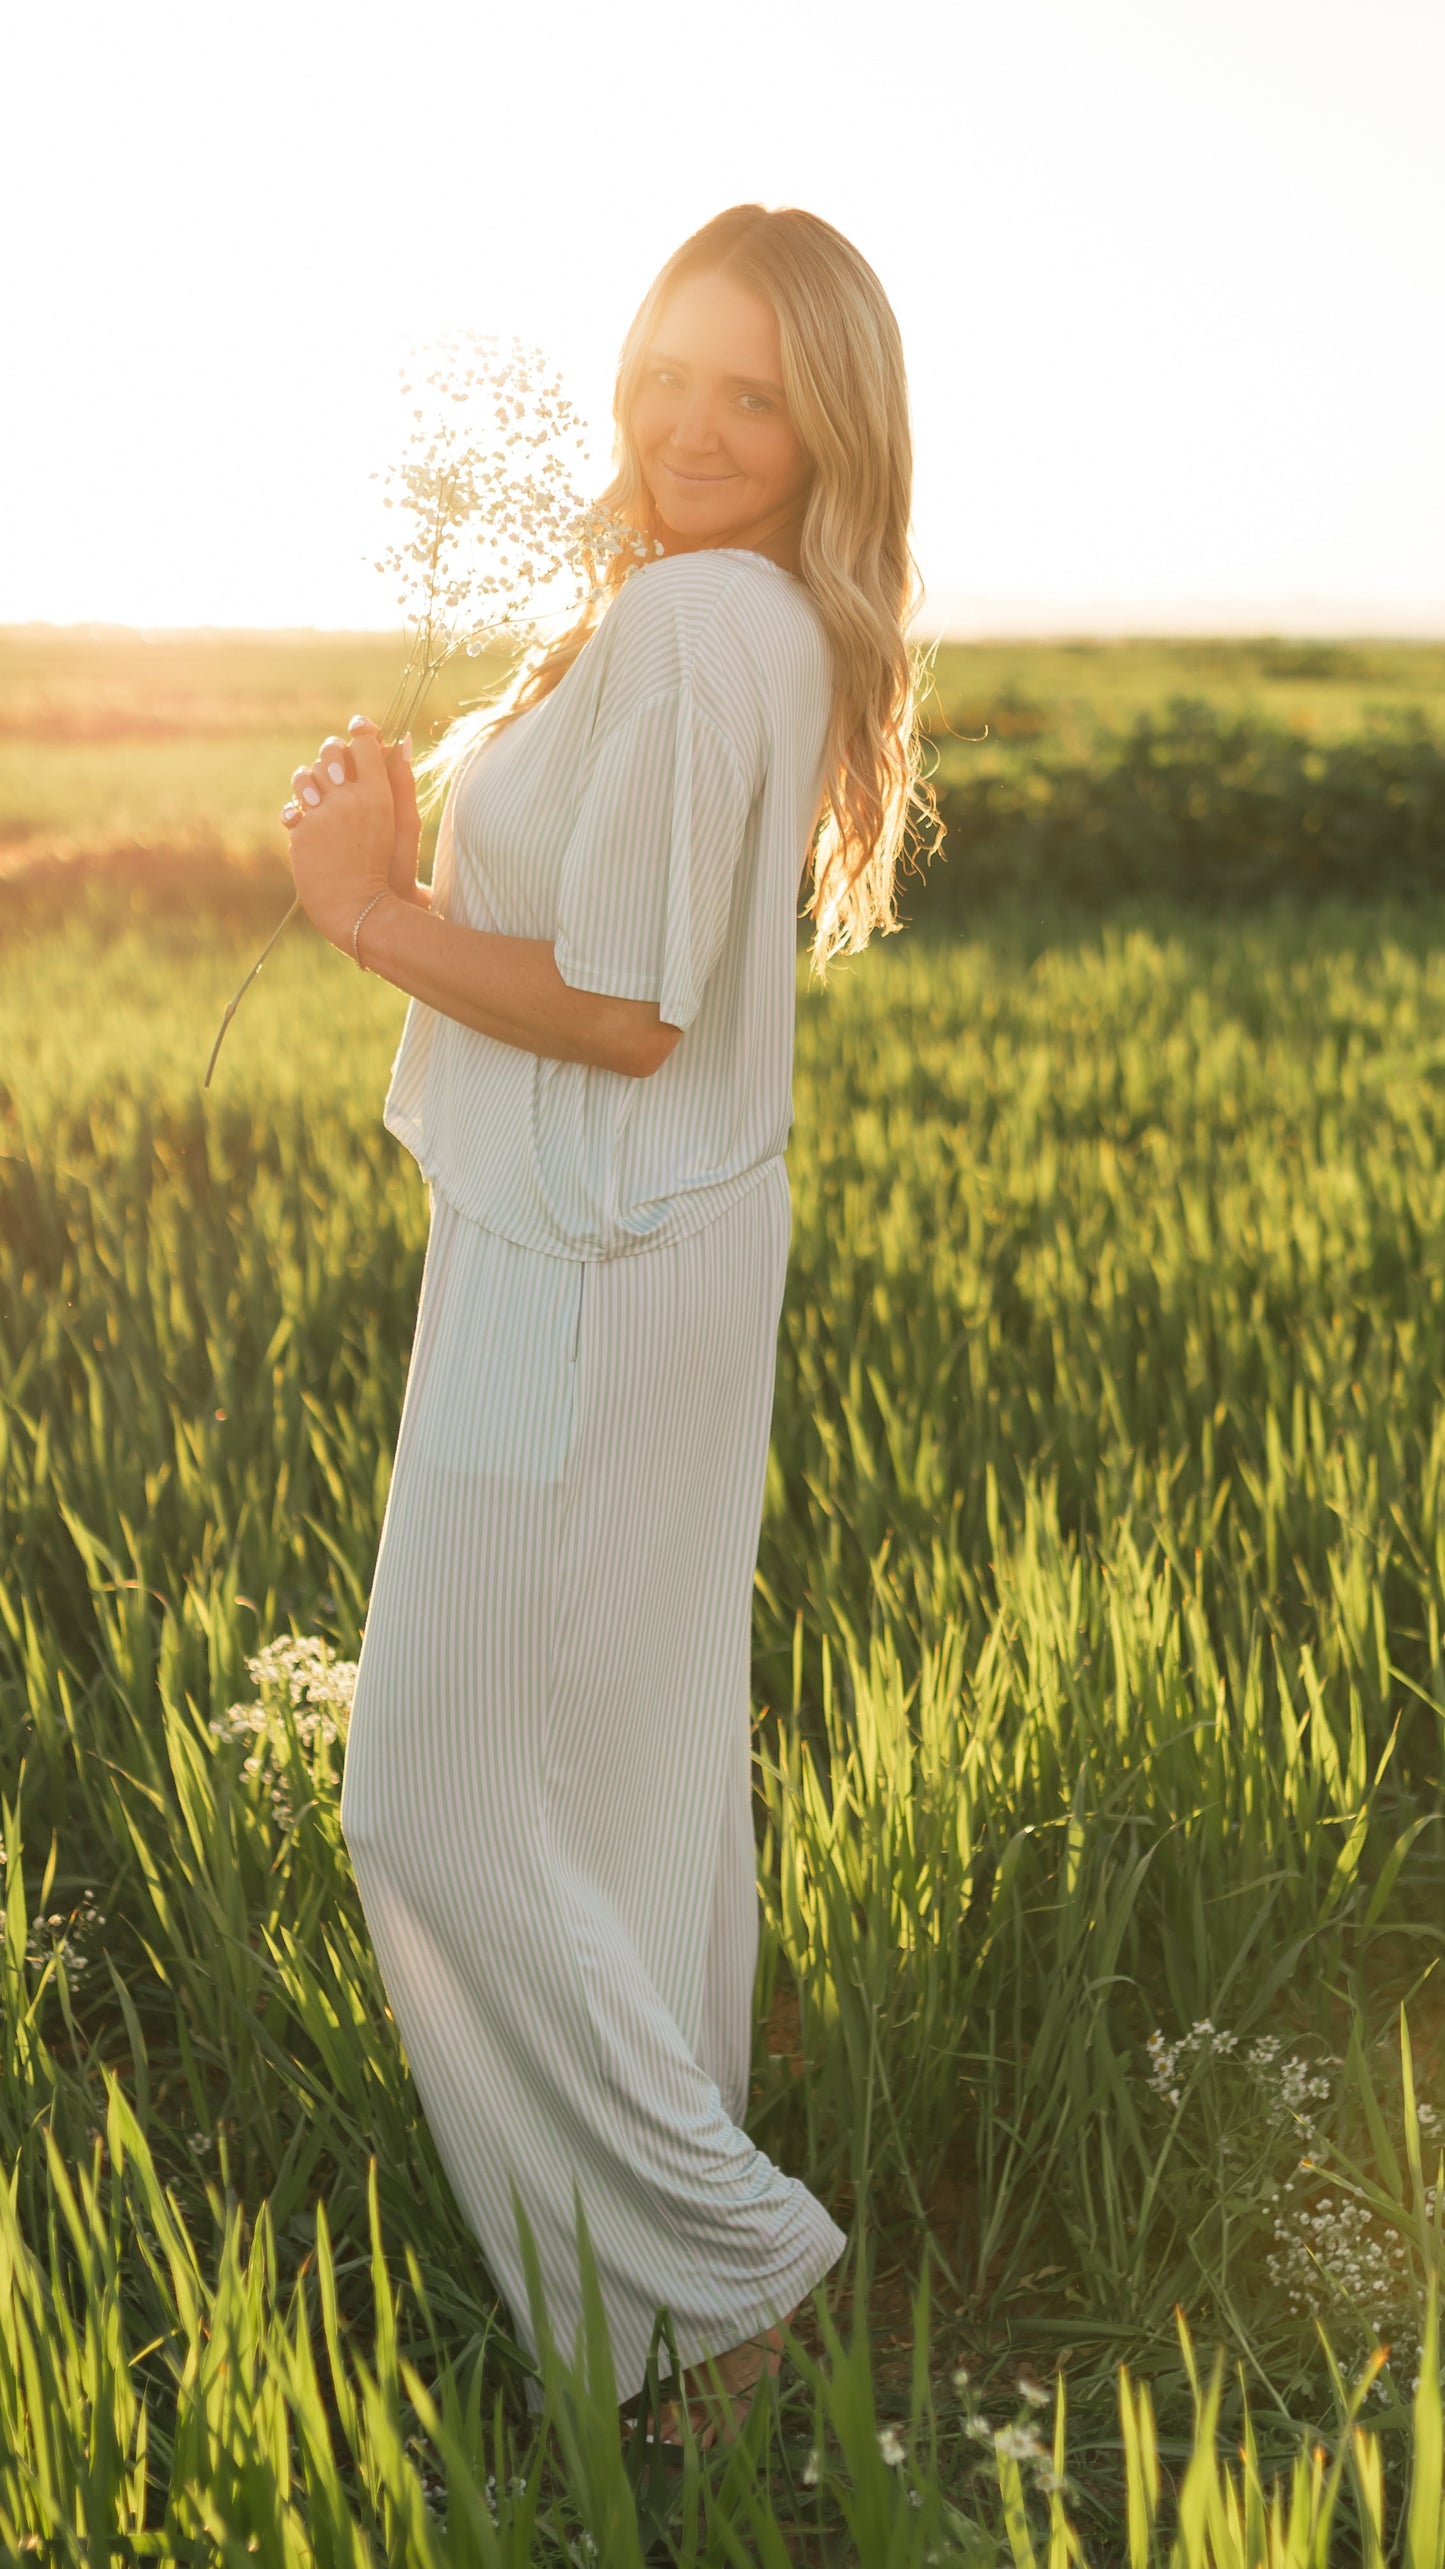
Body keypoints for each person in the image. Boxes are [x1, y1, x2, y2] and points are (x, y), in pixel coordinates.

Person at [280, 201, 933, 2449]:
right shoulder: (736, 614)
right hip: (639, 1248)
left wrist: (365, 912)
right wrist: (423, 850)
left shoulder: (695, 620)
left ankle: (728, 2268)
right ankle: (701, 2346)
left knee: (430, 1792)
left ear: (832, 425)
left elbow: (628, 1012)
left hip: (584, 1253)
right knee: (627, 1791)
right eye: (669, 371)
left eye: (755, 392)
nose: (692, 422)